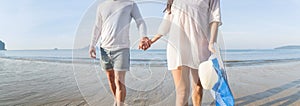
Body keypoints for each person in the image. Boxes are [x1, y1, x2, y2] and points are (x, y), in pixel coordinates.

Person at [142, 0, 222, 105]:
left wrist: (212, 42)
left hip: (200, 47)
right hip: (177, 47)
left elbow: (215, 18)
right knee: (182, 92)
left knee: (198, 89)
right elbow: (167, 22)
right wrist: (151, 41)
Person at [89, 0, 151, 106]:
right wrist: (92, 45)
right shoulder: (102, 6)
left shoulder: (130, 4)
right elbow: (97, 27)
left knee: (119, 81)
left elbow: (140, 22)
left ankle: (120, 103)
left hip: (122, 48)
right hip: (104, 48)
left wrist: (143, 37)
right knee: (111, 78)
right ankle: (117, 100)